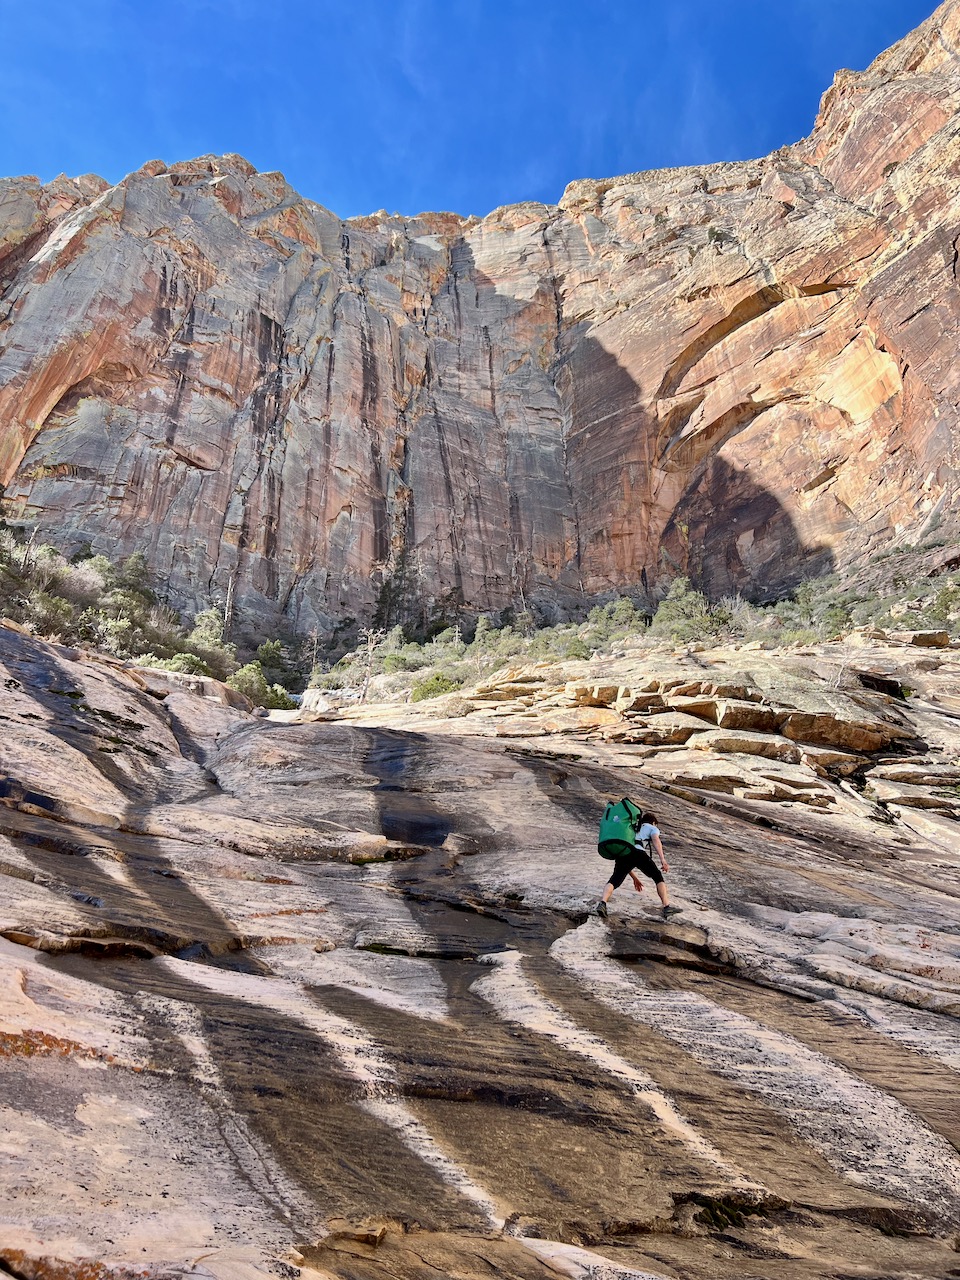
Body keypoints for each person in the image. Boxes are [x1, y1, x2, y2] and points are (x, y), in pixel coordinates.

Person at [597, 810, 682, 919]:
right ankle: (667, 907)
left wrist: (635, 879)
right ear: (654, 823)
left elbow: (628, 864)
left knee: (614, 880)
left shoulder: (632, 827)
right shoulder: (652, 827)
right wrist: (663, 860)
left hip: (624, 853)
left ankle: (603, 903)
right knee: (657, 877)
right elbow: (656, 839)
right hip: (639, 853)